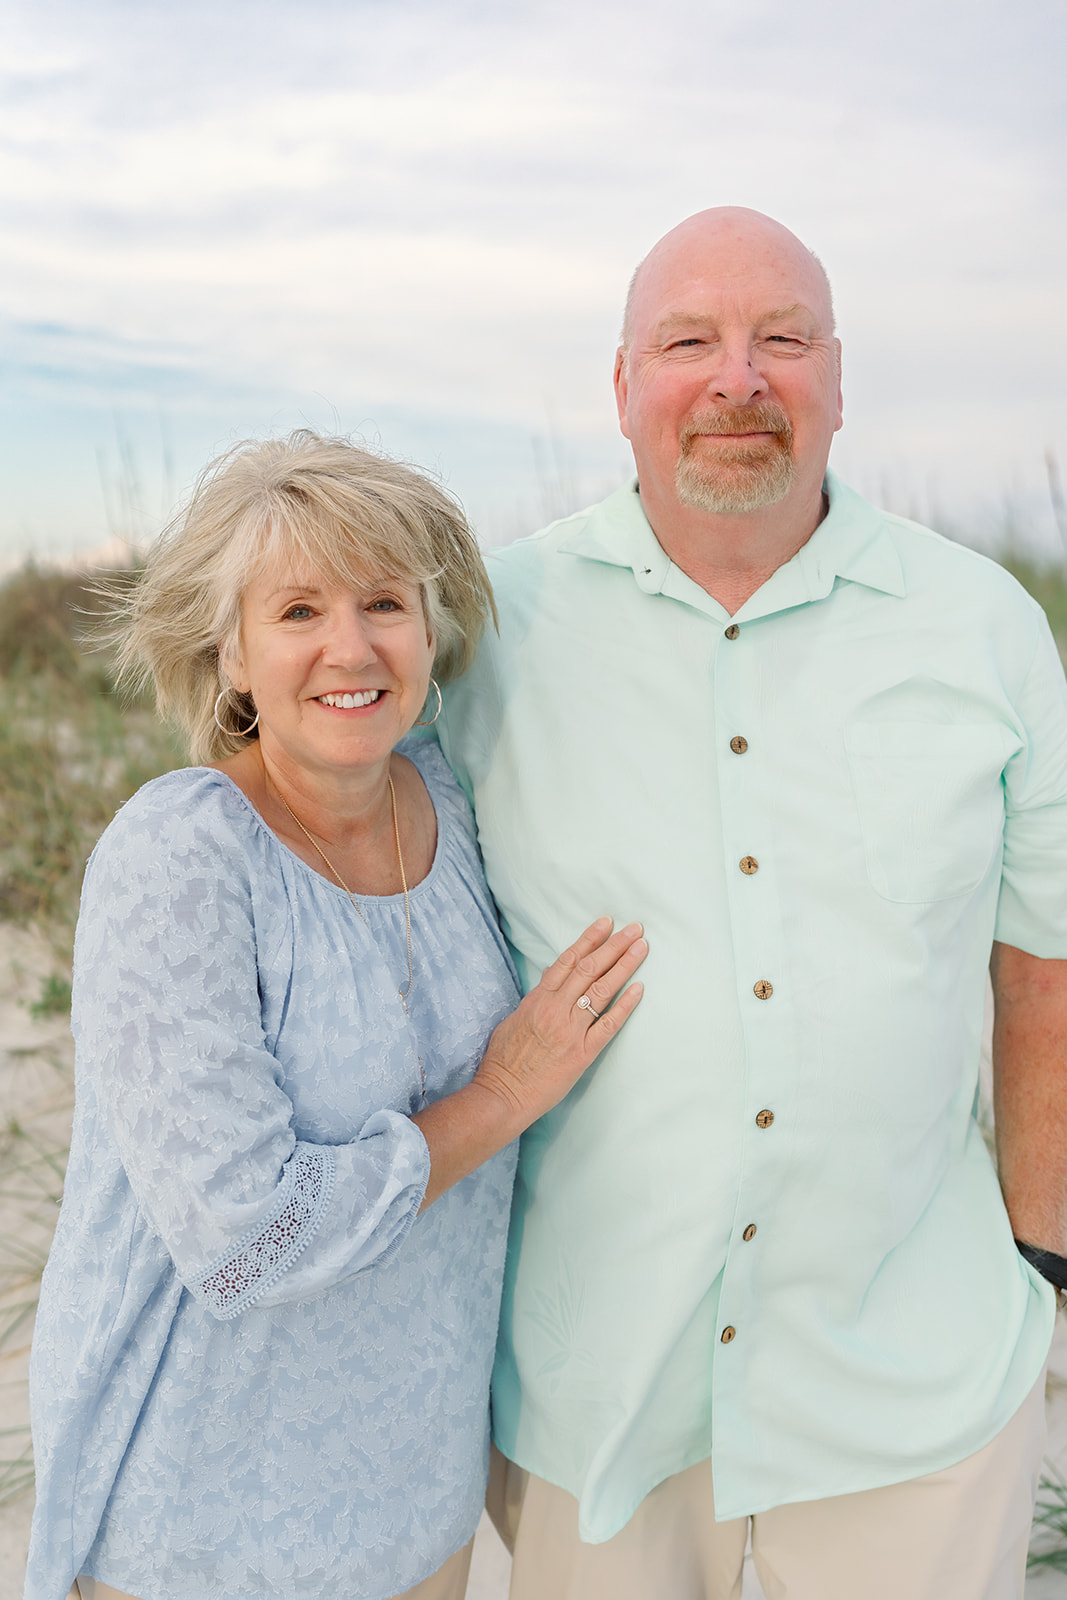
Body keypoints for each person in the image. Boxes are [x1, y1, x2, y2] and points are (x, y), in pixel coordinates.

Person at [438, 208, 1067, 1599]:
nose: (737, 378)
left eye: (780, 338)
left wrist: (1042, 1260)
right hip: (591, 1391)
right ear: (621, 386)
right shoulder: (486, 628)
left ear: (835, 380)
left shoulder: (981, 628)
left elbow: (1042, 968)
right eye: (687, 343)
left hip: (912, 1396)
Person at [24, 432, 646, 1600]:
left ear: (432, 629)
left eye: (384, 603)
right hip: (204, 1526)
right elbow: (245, 1233)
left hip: (418, 1501)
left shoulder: (451, 796)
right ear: (231, 651)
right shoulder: (182, 856)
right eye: (298, 610)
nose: (350, 647)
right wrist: (502, 1094)